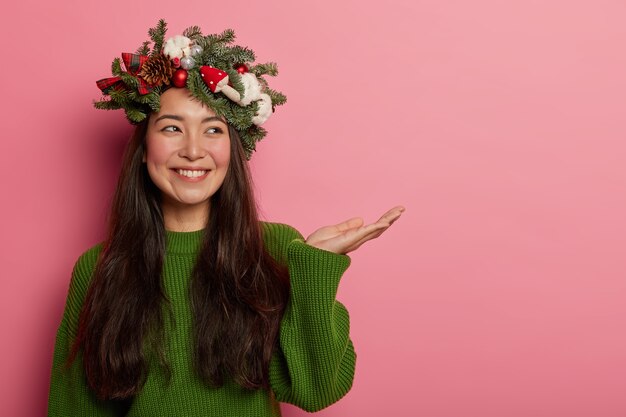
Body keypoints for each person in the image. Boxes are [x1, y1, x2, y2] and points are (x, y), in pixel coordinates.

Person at [48, 20, 404, 416]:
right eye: (171, 128)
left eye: (213, 130)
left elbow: (318, 391)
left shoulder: (276, 249)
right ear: (145, 149)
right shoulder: (98, 268)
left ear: (233, 151)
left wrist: (315, 267)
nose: (193, 150)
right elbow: (74, 407)